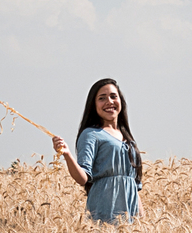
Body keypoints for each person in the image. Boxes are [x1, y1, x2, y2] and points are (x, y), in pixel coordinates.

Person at [52, 78, 142, 223]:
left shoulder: (129, 140)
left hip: (130, 222)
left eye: (113, 96)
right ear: (93, 105)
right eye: (102, 98)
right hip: (104, 216)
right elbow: (83, 178)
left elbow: (134, 186)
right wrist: (67, 155)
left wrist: (143, 224)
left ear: (121, 101)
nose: (109, 101)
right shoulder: (91, 134)